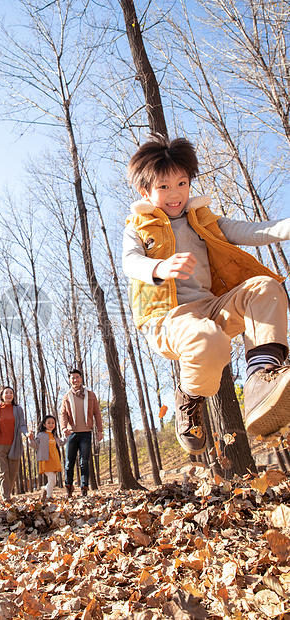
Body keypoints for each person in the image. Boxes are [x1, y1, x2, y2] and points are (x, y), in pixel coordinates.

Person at [122, 134, 290, 455]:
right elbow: (130, 261)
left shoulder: (202, 219)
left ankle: (260, 381)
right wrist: (159, 269)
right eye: (164, 187)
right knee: (210, 341)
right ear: (145, 191)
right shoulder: (139, 226)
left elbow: (250, 231)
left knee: (265, 288)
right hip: (167, 317)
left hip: (211, 307)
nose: (175, 195)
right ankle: (188, 397)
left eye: (182, 184)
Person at [0, 386, 32, 501]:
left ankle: (7, 495)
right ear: (2, 396)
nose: (9, 395)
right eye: (6, 393)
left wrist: (27, 433)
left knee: (12, 474)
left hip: (14, 446)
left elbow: (22, 424)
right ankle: (6, 499)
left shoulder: (18, 409)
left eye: (11, 393)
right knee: (3, 473)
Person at [59, 368, 103, 498]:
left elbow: (97, 413)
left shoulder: (90, 394)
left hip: (86, 432)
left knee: (84, 461)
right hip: (71, 433)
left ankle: (84, 488)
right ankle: (68, 487)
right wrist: (63, 428)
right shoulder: (66, 397)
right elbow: (63, 414)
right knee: (69, 462)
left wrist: (99, 431)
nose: (75, 380)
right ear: (69, 380)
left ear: (81, 378)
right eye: (72, 378)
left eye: (77, 377)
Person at [29, 415, 67, 503]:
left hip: (54, 460)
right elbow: (35, 445)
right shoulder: (41, 435)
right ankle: (49, 496)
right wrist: (31, 439)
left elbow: (61, 442)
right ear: (44, 424)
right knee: (52, 478)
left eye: (53, 423)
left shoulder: (54, 436)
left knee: (53, 481)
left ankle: (45, 488)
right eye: (49, 423)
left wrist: (66, 436)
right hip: (45, 459)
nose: (51, 425)